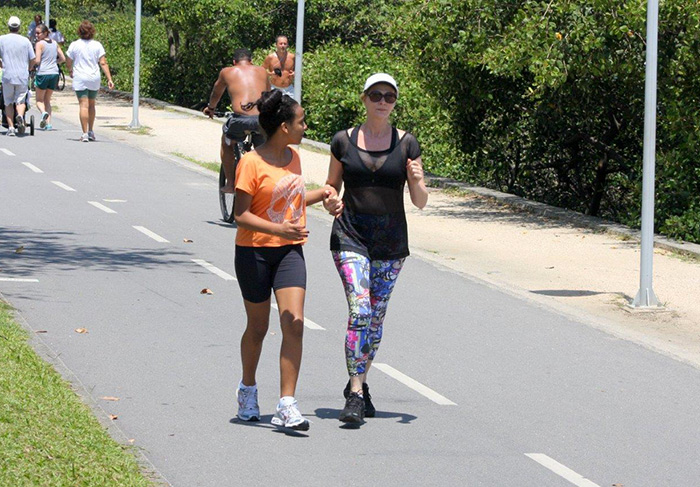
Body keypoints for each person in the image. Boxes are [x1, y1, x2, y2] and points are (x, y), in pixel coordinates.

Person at [323, 73, 429, 424]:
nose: (383, 101)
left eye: (389, 96)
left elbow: (420, 201)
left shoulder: (407, 144)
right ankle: (355, 393)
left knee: (376, 318)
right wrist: (330, 203)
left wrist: (416, 181)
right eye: (376, 95)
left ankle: (361, 382)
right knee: (360, 313)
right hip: (350, 237)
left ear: (395, 102)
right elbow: (330, 186)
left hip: (391, 244)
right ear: (364, 99)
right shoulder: (343, 140)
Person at [232, 90, 339, 431]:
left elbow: (288, 201)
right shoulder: (251, 162)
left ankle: (287, 404)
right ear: (283, 126)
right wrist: (279, 228)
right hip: (254, 252)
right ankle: (247, 389)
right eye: (301, 121)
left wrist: (320, 195)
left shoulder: (293, 157)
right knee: (259, 327)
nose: (305, 127)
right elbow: (241, 214)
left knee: (293, 322)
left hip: (290, 252)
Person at [203, 48, 269, 193]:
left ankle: (231, 184)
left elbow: (216, 93)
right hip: (263, 120)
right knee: (266, 150)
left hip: (241, 120)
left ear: (234, 62)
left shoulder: (227, 72)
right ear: (251, 61)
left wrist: (211, 108)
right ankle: (268, 183)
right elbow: (269, 96)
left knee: (226, 142)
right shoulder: (262, 72)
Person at [65, 20, 114, 142]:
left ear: (79, 32)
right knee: (91, 105)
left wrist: (70, 70)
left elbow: (68, 60)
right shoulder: (97, 45)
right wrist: (109, 78)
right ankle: (91, 130)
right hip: (94, 77)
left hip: (80, 77)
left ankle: (84, 133)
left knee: (83, 105)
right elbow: (103, 62)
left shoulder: (74, 45)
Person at [0, 16, 36, 136]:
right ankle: (20, 116)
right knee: (20, 100)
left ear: (8, 26)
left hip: (7, 75)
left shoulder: (2, 39)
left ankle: (11, 128)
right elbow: (33, 59)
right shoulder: (25, 41)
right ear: (19, 27)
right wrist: (29, 68)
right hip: (22, 75)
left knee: (8, 102)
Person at [34, 23, 65, 131]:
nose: (36, 35)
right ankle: (48, 124)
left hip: (43, 73)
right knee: (47, 100)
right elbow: (63, 58)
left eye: (38, 33)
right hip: (54, 73)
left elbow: (37, 60)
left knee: (38, 100)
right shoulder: (55, 43)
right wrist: (54, 62)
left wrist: (32, 64)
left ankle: (43, 113)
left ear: (45, 33)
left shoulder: (39, 44)